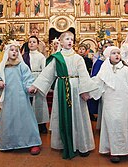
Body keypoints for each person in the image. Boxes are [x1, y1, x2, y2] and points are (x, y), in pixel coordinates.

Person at [29, 31, 98, 159]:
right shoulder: (57, 57)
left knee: (79, 116)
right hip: (62, 88)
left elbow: (84, 75)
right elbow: (47, 74)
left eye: (71, 39)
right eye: (67, 39)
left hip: (76, 89)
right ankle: (64, 143)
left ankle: (82, 145)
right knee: (63, 116)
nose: (70, 41)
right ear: (61, 42)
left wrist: (85, 91)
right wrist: (35, 86)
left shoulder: (78, 58)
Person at [90, 46, 128, 165]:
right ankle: (115, 151)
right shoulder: (104, 71)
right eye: (113, 53)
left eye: (118, 53)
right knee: (113, 125)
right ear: (108, 56)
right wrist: (86, 92)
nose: (117, 55)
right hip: (110, 103)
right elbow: (96, 84)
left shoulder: (126, 70)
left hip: (125, 103)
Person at [0, 41, 42, 155]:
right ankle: (9, 142)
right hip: (8, 98)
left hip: (21, 98)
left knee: (26, 118)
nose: (14, 52)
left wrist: (30, 87)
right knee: (9, 119)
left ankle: (32, 142)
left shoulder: (22, 65)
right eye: (12, 50)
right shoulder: (3, 66)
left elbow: (28, 79)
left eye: (16, 50)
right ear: (6, 52)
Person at [22, 36, 49, 133]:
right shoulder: (24, 56)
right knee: (28, 103)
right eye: (30, 42)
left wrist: (39, 84)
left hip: (38, 78)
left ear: (38, 44)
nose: (31, 44)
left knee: (39, 103)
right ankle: (29, 123)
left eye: (34, 42)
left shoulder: (41, 56)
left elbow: (44, 70)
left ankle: (41, 124)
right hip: (27, 78)